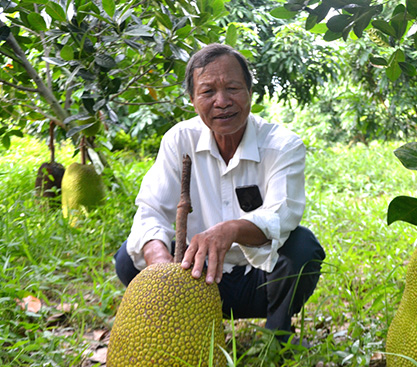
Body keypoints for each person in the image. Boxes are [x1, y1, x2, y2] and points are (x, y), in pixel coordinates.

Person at [114, 43, 325, 345]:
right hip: (194, 279)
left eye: (233, 88)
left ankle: (278, 334)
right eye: (208, 92)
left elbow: (283, 214)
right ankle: (184, 327)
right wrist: (161, 265)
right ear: (192, 99)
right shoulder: (179, 140)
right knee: (128, 259)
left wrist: (231, 230)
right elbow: (151, 211)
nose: (222, 101)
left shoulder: (282, 145)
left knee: (303, 247)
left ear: (250, 93)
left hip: (259, 280)